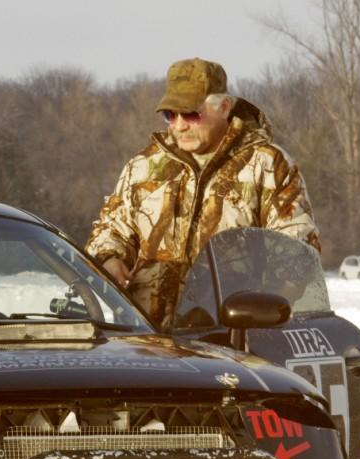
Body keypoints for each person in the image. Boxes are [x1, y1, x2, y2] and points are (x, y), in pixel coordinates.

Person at [85, 58, 320, 330]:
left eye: (191, 114)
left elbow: (297, 250)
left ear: (224, 107)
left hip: (231, 339)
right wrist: (109, 258)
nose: (180, 125)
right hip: (148, 337)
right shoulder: (144, 166)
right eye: (170, 115)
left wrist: (261, 310)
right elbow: (111, 227)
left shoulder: (267, 165)